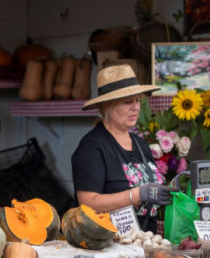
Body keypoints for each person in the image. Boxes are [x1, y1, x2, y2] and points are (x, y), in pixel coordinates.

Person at [71, 64, 177, 233]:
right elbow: (87, 203)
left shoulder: (141, 144)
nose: (135, 107)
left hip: (145, 242)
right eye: (127, 102)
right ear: (106, 106)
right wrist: (137, 195)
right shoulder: (92, 148)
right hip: (107, 244)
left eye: (137, 100)